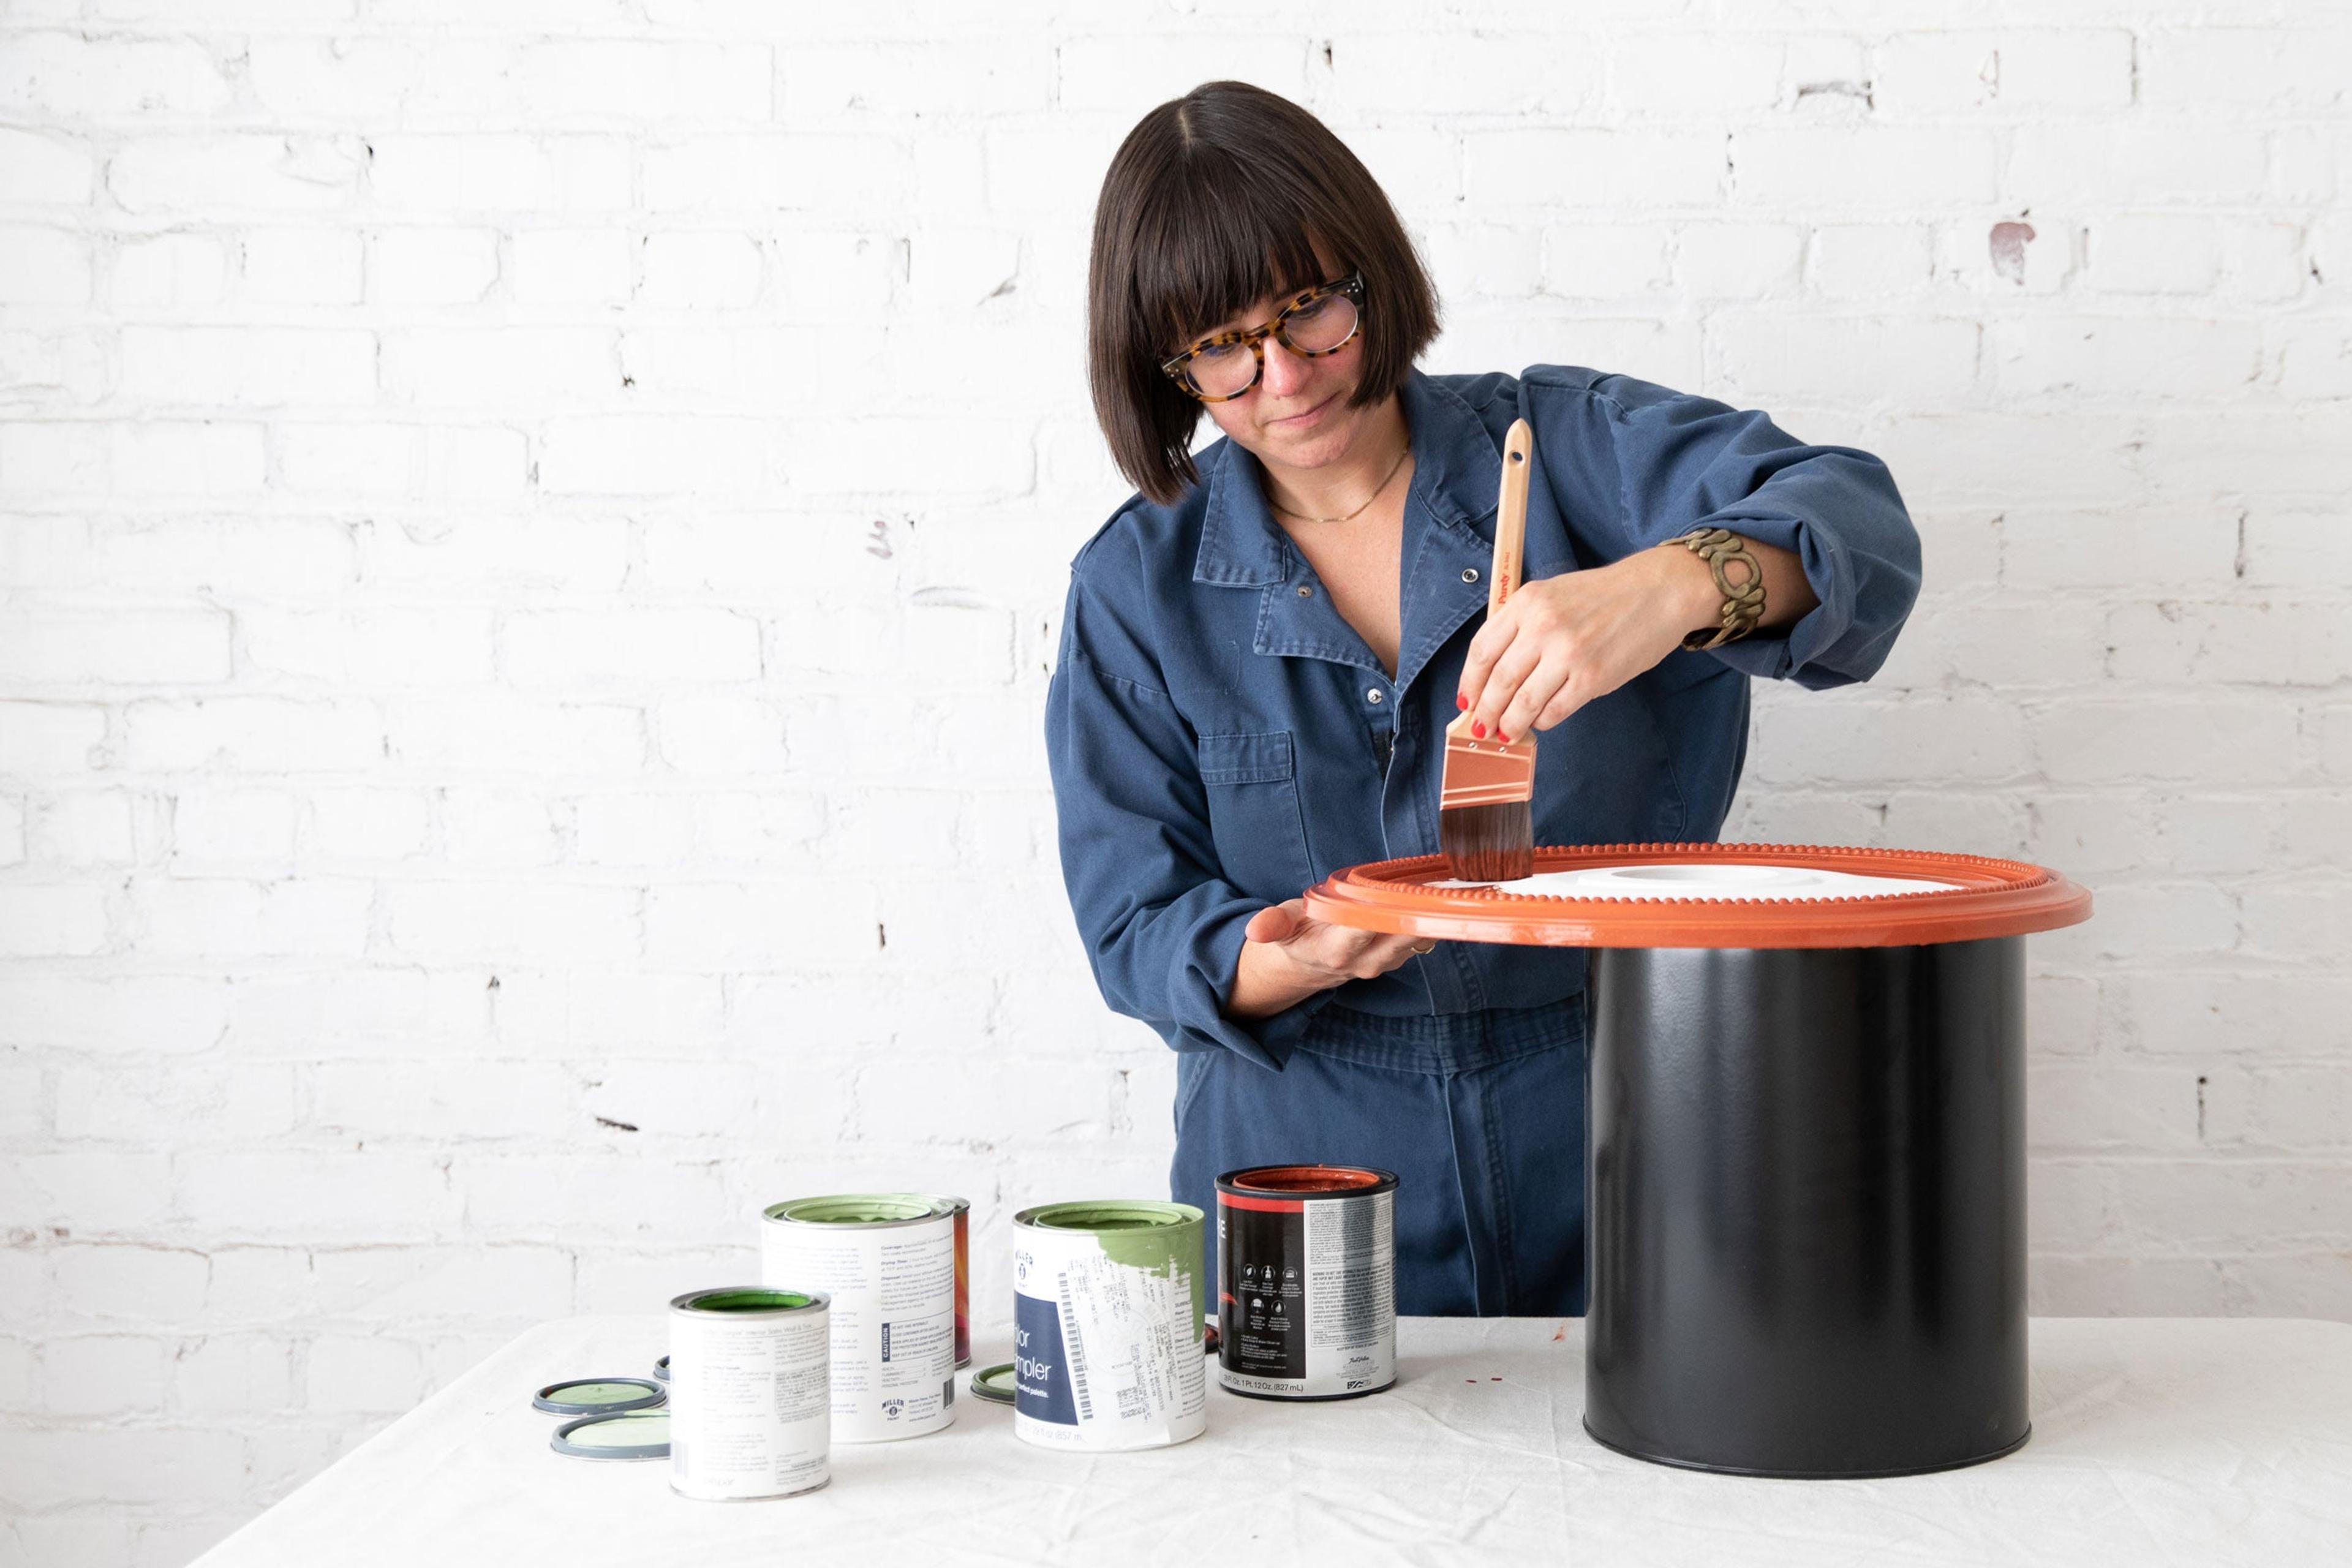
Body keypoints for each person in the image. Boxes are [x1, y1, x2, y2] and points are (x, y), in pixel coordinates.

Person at [1045, 81, 1920, 1316]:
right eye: (1222, 349)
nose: (1283, 377)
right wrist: (1288, 953)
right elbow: (1134, 925)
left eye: (1311, 313)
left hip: (1626, 1120)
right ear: (1165, 362)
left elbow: (1859, 530)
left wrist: (1671, 586)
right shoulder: (1138, 583)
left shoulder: (1566, 447)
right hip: (1303, 1156)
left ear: (1373, 274)